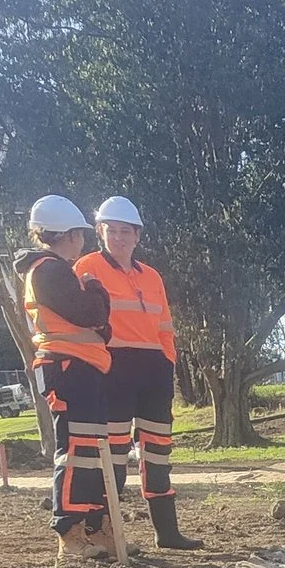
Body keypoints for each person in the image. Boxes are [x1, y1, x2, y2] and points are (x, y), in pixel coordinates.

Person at [78, 196, 203, 549]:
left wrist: (168, 361)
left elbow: (165, 325)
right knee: (114, 454)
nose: (118, 238)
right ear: (101, 232)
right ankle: (106, 534)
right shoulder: (87, 267)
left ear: (137, 235)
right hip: (113, 369)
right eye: (111, 230)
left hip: (153, 371)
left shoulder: (152, 276)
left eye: (124, 231)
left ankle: (168, 533)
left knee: (158, 451)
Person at [14, 195, 115, 557]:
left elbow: (98, 325)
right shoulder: (49, 271)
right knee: (75, 451)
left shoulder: (54, 271)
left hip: (80, 367)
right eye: (81, 235)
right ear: (69, 235)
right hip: (68, 369)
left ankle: (94, 526)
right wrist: (97, 291)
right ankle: (69, 532)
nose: (84, 242)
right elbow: (90, 314)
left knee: (87, 450)